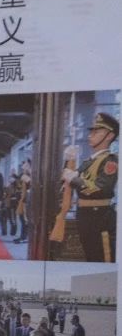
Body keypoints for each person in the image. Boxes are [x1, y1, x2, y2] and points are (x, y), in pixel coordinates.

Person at [62, 111, 118, 263]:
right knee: (91, 258)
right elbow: (67, 181)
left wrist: (74, 178)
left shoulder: (110, 160)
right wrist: (68, 160)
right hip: (86, 216)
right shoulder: (89, 162)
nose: (90, 135)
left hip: (100, 218)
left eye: (96, 132)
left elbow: (101, 189)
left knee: (103, 259)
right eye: (91, 131)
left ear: (110, 136)